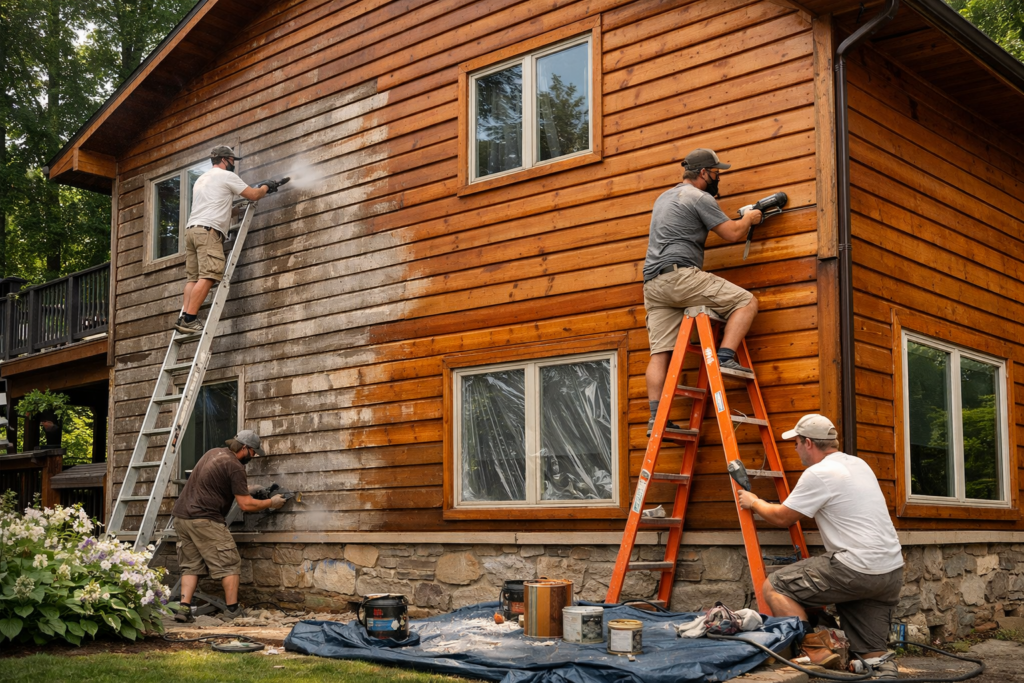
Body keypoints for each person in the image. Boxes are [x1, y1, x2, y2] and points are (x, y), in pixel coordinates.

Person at [737, 414, 904, 678]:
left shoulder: (819, 472)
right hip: (890, 572)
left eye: (797, 443)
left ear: (809, 443)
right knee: (871, 654)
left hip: (856, 567)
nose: (796, 449)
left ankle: (815, 653)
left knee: (775, 586)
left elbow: (782, 516)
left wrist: (754, 501)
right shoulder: (858, 463)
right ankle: (882, 669)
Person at [642, 148, 763, 435]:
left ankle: (656, 418)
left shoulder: (664, 197)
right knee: (746, 302)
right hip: (680, 276)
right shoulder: (699, 197)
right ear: (703, 173)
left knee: (660, 353)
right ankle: (724, 357)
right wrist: (749, 219)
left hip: (653, 284)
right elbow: (733, 233)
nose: (717, 177)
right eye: (716, 172)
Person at [171, 429, 285, 622]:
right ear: (245, 448)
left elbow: (217, 484)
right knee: (230, 563)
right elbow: (245, 504)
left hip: (182, 518)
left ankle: (184, 610)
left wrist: (252, 489)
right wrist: (271, 502)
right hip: (204, 519)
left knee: (191, 565)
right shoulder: (235, 467)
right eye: (254, 452)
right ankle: (232, 610)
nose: (254, 456)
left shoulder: (214, 453)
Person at [175, 145, 271, 334]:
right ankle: (190, 319)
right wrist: (265, 187)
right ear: (225, 159)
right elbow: (253, 194)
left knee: (193, 278)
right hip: (208, 232)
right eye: (233, 160)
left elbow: (218, 206)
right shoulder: (226, 176)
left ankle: (184, 315)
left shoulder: (202, 179)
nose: (234, 164)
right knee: (210, 274)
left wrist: (238, 208)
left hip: (192, 230)